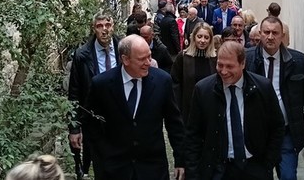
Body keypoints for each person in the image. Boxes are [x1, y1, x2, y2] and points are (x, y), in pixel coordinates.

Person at [82, 35, 186, 180]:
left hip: (152, 168)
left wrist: (180, 160)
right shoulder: (102, 84)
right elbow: (90, 123)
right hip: (115, 169)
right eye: (142, 59)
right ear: (125, 59)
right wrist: (102, 155)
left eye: (149, 56)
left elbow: (174, 123)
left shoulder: (162, 81)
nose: (148, 63)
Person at [184, 41, 285, 180]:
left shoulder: (262, 88)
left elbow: (277, 126)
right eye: (220, 65)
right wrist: (193, 173)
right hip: (218, 171)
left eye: (230, 66)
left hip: (255, 168)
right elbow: (193, 135)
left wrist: (267, 163)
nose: (223, 71)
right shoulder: (203, 90)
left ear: (242, 64)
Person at [245, 17, 304, 180]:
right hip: (257, 132)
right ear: (260, 34)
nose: (270, 37)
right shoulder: (247, 59)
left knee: (288, 175)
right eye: (266, 32)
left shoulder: (297, 61)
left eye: (275, 33)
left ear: (282, 35)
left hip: (288, 131)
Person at [68, 13, 119, 179]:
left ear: (113, 27)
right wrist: (74, 128)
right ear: (93, 29)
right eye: (99, 26)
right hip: (95, 121)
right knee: (101, 168)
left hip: (121, 118)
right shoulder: (82, 55)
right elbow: (74, 93)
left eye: (108, 25)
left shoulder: (123, 48)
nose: (104, 30)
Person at [170, 22, 216, 123]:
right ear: (194, 37)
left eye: (206, 37)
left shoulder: (215, 59)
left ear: (210, 40)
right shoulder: (183, 57)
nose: (202, 40)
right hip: (188, 110)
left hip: (210, 110)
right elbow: (175, 83)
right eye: (199, 36)